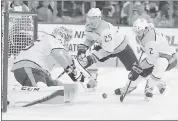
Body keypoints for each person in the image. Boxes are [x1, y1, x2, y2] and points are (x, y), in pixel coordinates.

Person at [77, 8, 139, 89]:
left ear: (99, 18)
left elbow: (109, 50)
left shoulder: (105, 30)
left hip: (120, 46)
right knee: (89, 58)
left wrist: (93, 57)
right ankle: (93, 79)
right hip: (106, 46)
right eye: (89, 18)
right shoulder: (88, 25)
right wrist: (84, 47)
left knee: (136, 68)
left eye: (93, 18)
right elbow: (91, 38)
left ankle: (154, 83)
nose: (91, 21)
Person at [11, 26, 95, 87]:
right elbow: (60, 57)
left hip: (33, 70)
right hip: (28, 68)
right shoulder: (52, 40)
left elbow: (71, 61)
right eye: (66, 39)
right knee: (41, 87)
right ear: (62, 36)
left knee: (57, 86)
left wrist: (87, 77)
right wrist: (72, 72)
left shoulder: (46, 41)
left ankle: (25, 87)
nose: (66, 42)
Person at [127, 18, 177, 100]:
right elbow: (150, 25)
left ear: (145, 30)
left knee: (147, 70)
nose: (137, 34)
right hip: (163, 55)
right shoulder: (149, 29)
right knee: (145, 70)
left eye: (138, 32)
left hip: (169, 60)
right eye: (136, 32)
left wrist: (139, 67)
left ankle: (150, 87)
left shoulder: (149, 42)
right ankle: (158, 84)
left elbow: (151, 62)